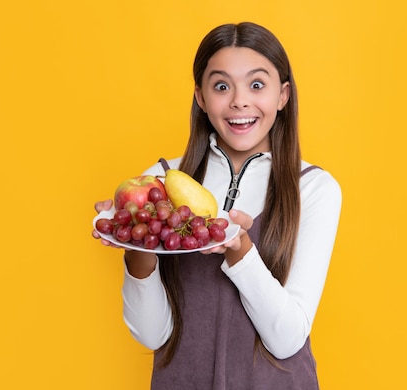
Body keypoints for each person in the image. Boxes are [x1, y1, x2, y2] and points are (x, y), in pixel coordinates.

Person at [92, 22, 342, 389]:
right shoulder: (159, 184)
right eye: (222, 86)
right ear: (200, 97)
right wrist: (135, 249)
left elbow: (288, 338)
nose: (239, 100)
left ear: (283, 95)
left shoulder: (314, 189)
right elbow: (152, 336)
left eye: (257, 85)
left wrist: (240, 251)